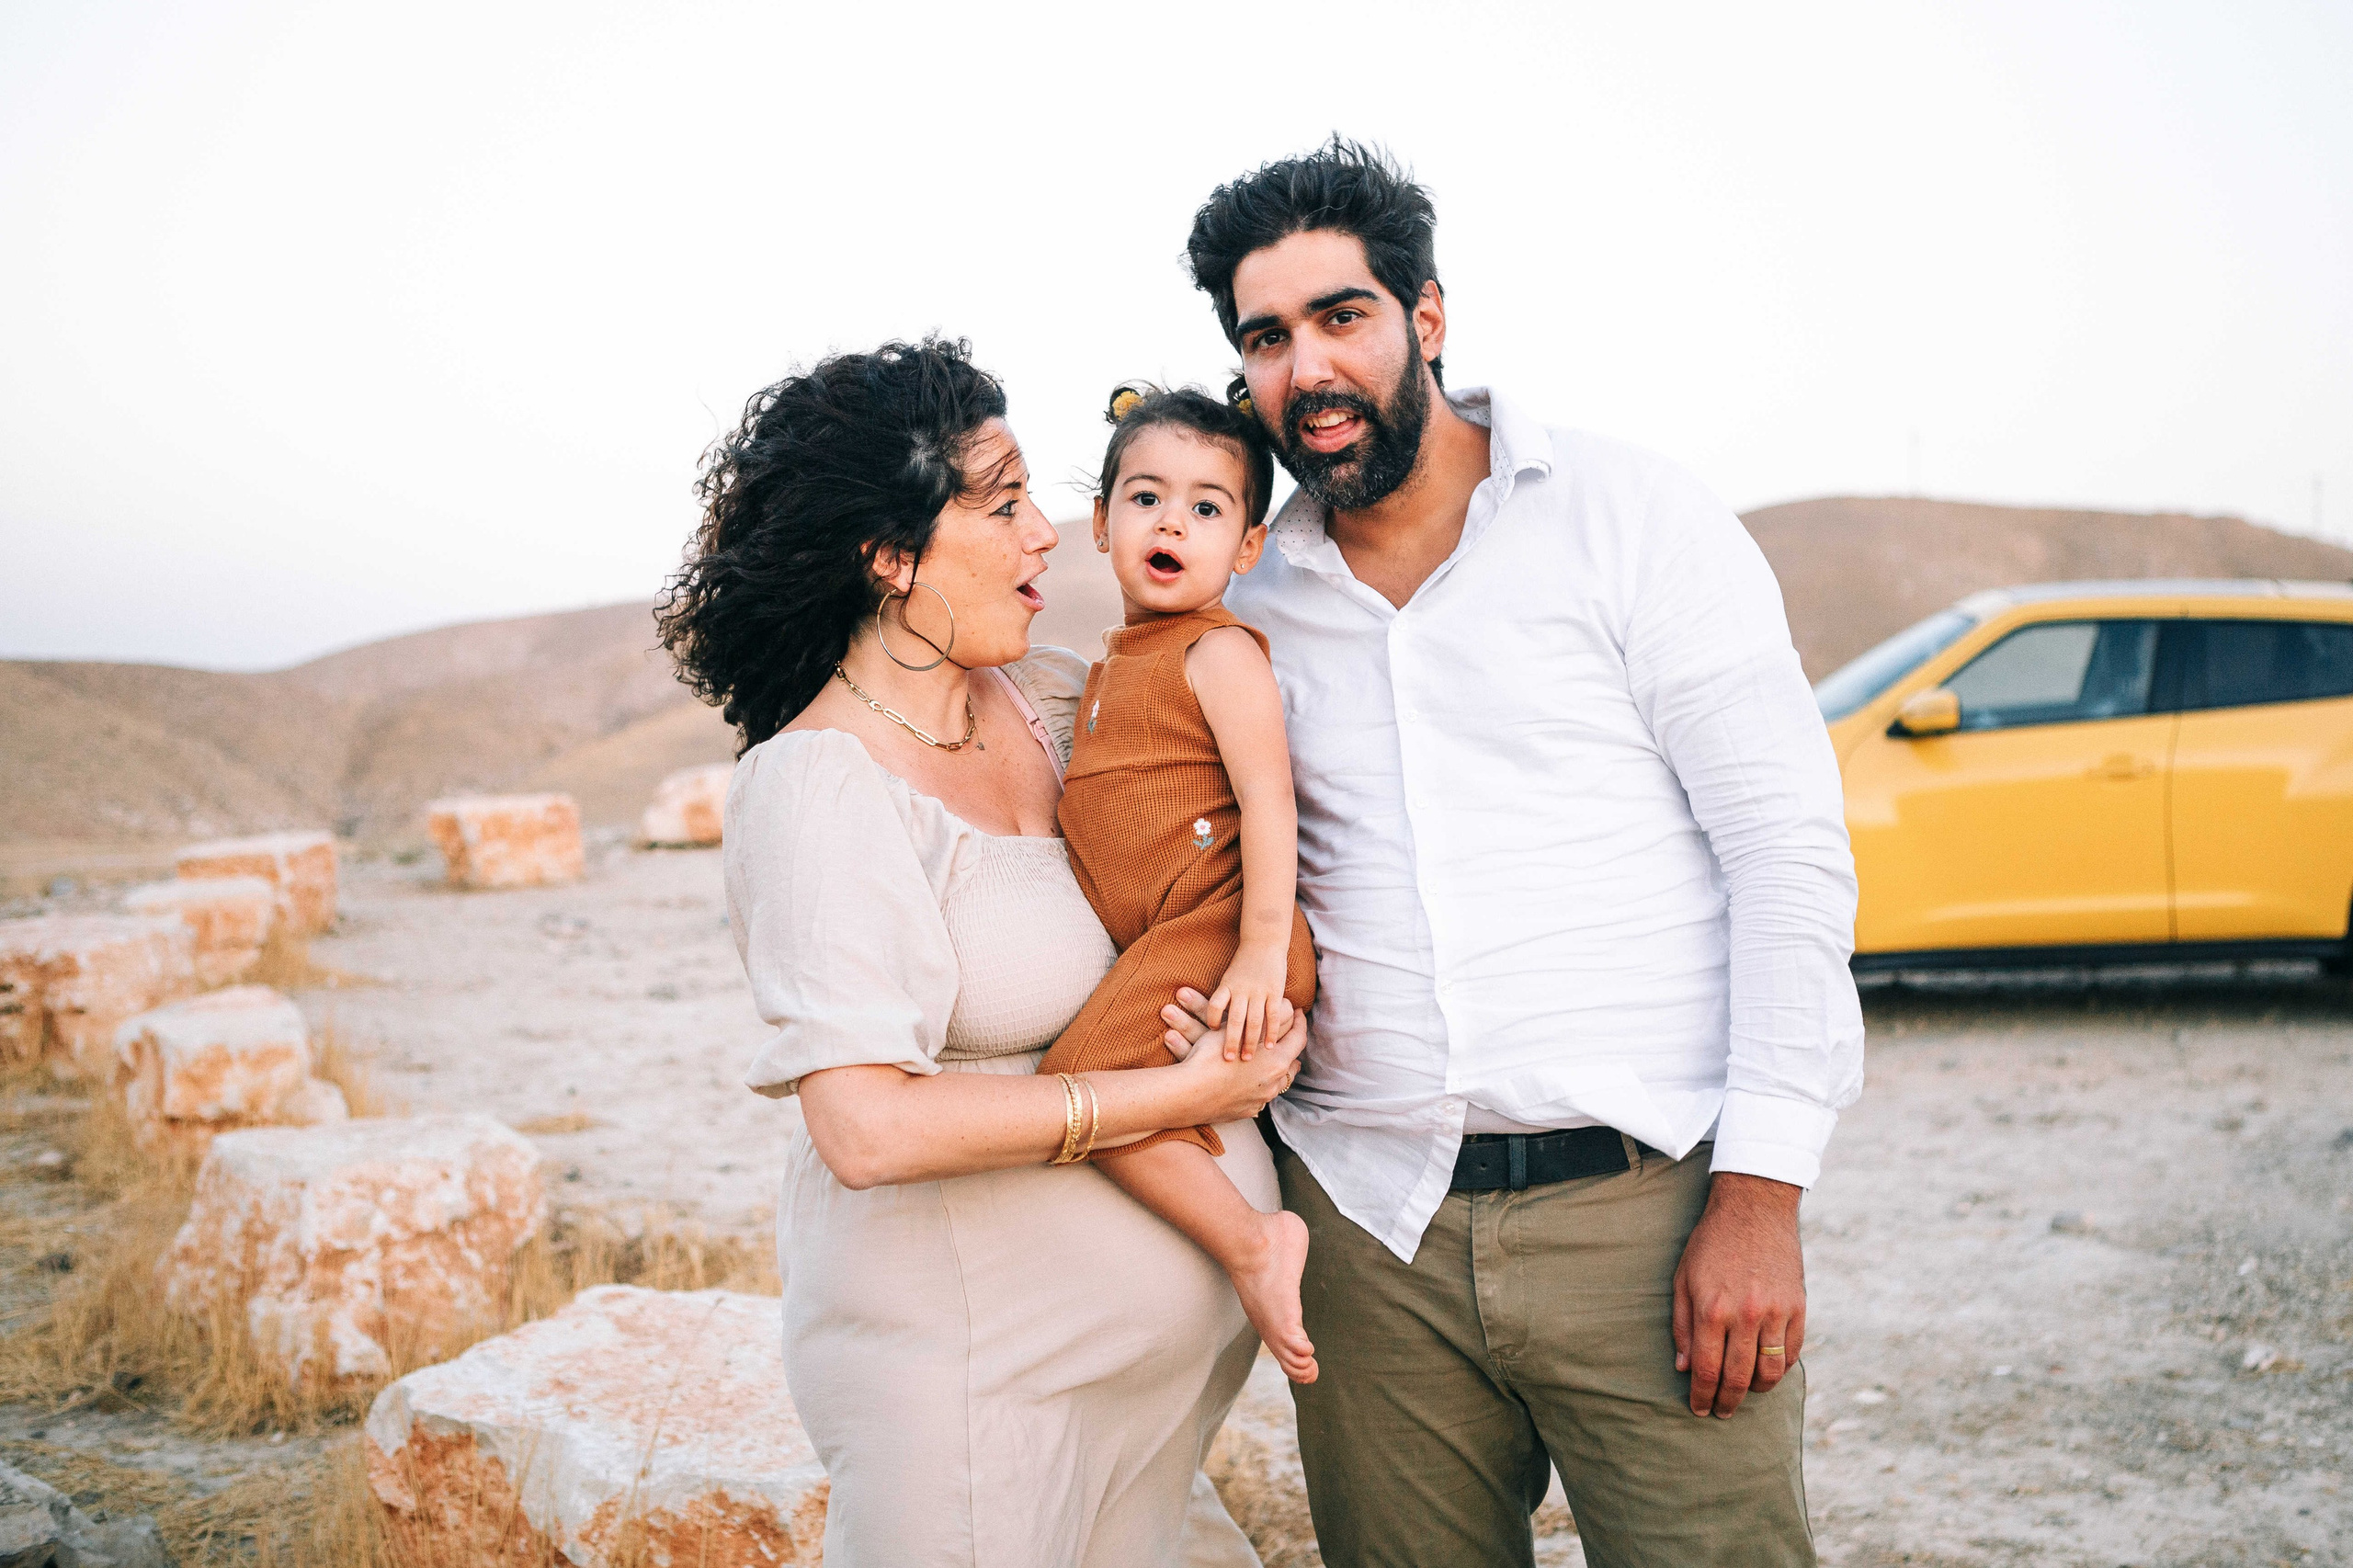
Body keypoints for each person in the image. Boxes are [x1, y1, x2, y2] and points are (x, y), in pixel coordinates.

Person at [1173, 140, 1867, 1566]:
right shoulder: (1254, 598)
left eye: (1341, 317)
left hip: (1651, 1211)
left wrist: (1762, 1193)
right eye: (1265, 337)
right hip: (1368, 1228)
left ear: (1427, 319)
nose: (1306, 367)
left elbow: (1786, 853)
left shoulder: (1632, 518)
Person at [662, 338, 1307, 1568]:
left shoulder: (1053, 704)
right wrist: (1186, 1095)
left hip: (1146, 1407)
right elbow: (866, 1128)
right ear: (893, 555)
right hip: (970, 1392)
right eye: (1004, 504)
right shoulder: (818, 788)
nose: (1046, 535)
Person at [1038, 383, 1321, 1384]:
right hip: (1180, 939)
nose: (1172, 521)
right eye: (1146, 496)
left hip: (1228, 928)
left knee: (1080, 1086)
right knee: (1108, 1093)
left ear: (1245, 547)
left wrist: (1253, 952)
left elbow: (1273, 804)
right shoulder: (1110, 662)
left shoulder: (1217, 651)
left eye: (1208, 507)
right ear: (1103, 522)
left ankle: (1252, 1240)